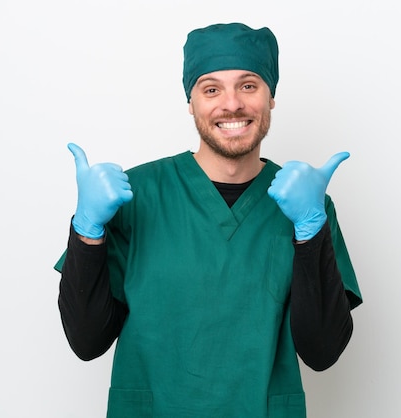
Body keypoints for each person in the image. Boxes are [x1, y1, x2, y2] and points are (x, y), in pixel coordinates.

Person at [55, 22, 362, 418]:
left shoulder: (306, 204)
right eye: (211, 89)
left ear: (271, 97)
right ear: (191, 102)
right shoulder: (133, 197)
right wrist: (87, 231)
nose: (231, 104)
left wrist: (310, 231)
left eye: (248, 86)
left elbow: (322, 352)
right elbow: (86, 341)